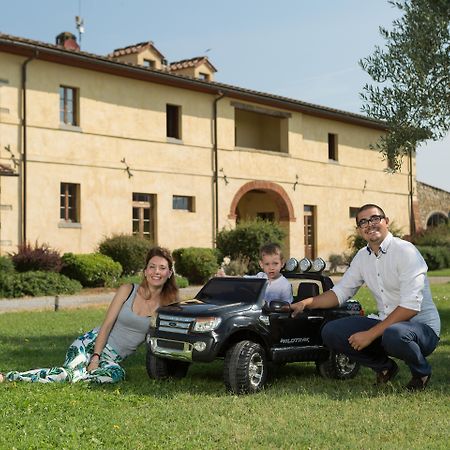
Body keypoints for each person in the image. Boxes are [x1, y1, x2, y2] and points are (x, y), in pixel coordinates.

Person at [290, 204, 440, 391]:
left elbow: (411, 307)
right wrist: (305, 303)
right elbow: (341, 292)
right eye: (363, 222)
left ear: (386, 222)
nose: (370, 224)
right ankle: (385, 368)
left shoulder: (405, 252)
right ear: (359, 230)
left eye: (375, 219)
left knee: (394, 334)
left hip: (421, 328)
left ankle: (421, 372)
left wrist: (370, 334)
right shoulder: (362, 257)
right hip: (387, 325)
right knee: (331, 331)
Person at [0, 246, 179, 384]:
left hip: (113, 358)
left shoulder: (169, 305)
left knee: (117, 374)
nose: (156, 272)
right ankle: (9, 377)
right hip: (91, 344)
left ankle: (78, 376)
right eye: (152, 267)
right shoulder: (127, 290)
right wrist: (95, 357)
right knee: (66, 372)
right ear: (145, 271)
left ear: (169, 273)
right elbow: (107, 324)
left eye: (162, 268)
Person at [218, 243, 293, 304]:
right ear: (261, 264)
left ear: (282, 264)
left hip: (275, 319)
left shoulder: (285, 285)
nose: (271, 268)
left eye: (275, 263)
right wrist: (225, 276)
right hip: (256, 316)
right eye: (267, 264)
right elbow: (242, 279)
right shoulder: (260, 277)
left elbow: (287, 307)